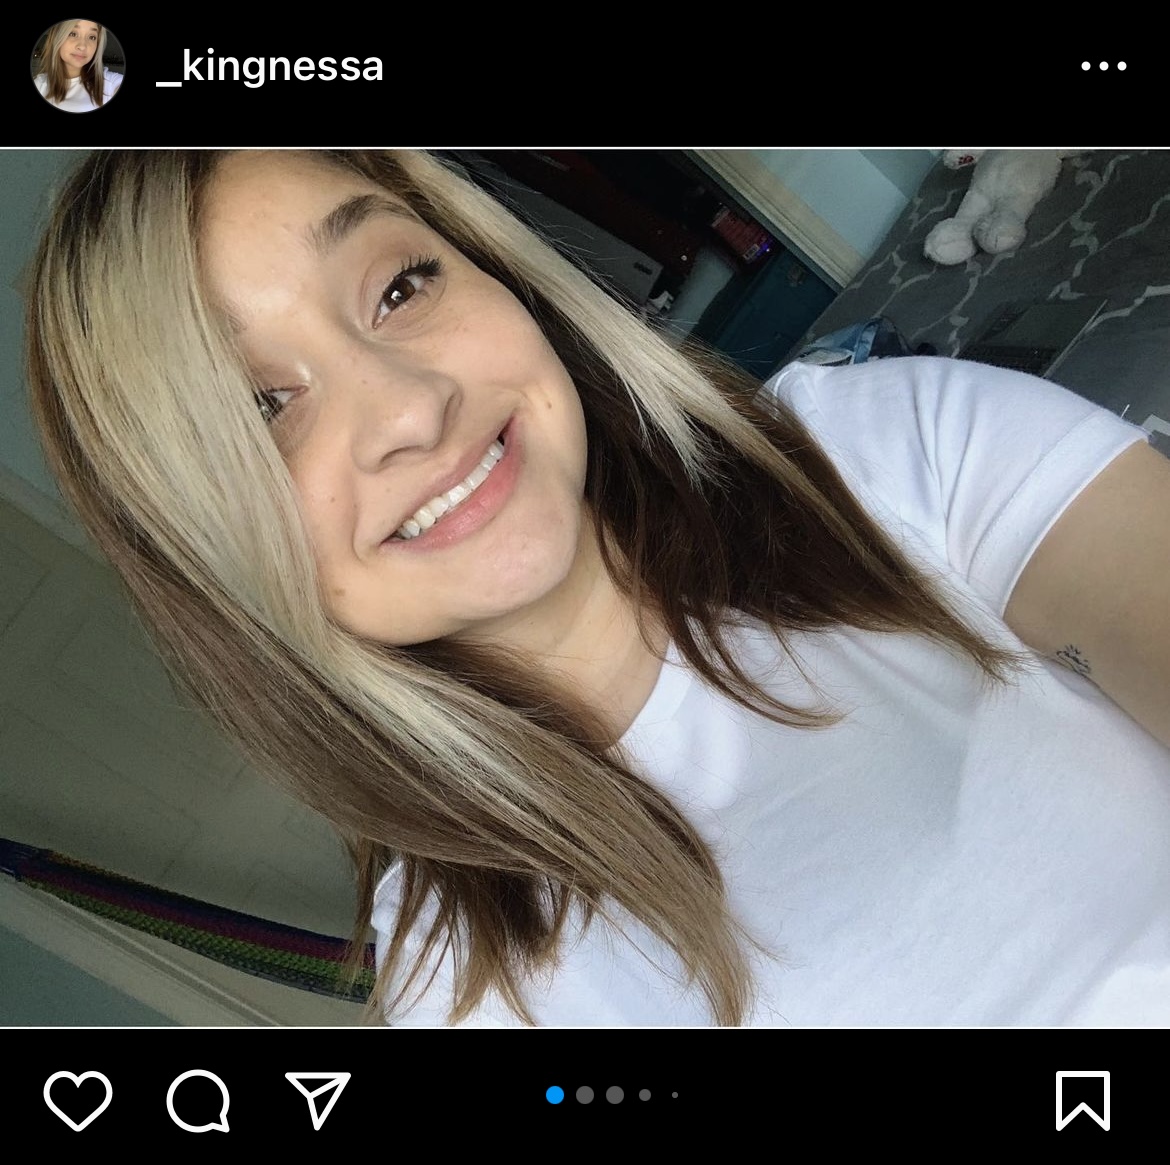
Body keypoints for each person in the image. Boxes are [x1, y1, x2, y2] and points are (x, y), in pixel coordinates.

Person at [26, 150, 1170, 1026]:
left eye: (401, 286)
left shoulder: (888, 452)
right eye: (258, 410)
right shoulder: (463, 992)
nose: (411, 407)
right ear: (206, 561)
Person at [33, 20, 121, 112]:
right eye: (73, 34)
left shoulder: (111, 84)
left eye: (92, 37)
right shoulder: (40, 84)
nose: (82, 46)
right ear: (56, 37)